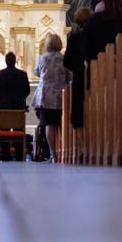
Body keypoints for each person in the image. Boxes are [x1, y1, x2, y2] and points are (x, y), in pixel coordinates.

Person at [33, 33, 71, 164]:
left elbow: (36, 72)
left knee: (49, 124)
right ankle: (63, 152)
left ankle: (53, 154)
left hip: (46, 95)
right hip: (61, 95)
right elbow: (69, 77)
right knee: (61, 124)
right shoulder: (64, 58)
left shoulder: (42, 58)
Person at [64, 5, 93, 132]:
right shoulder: (93, 36)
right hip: (94, 75)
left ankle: (82, 147)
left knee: (79, 112)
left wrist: (76, 67)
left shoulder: (74, 38)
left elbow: (66, 62)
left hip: (79, 77)